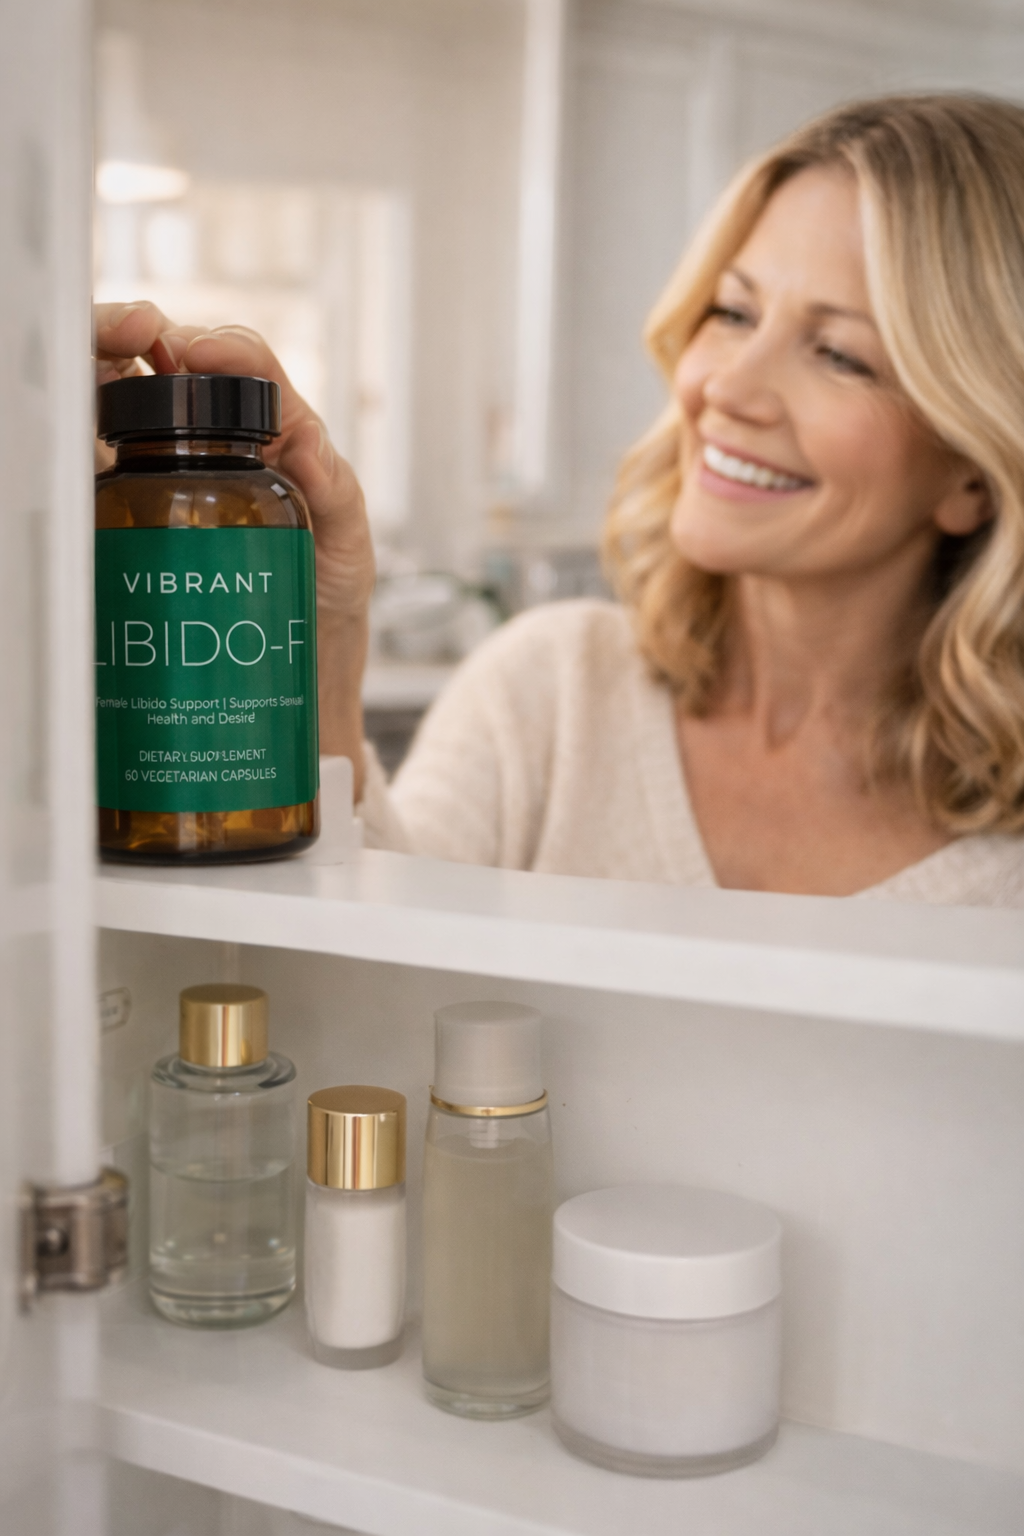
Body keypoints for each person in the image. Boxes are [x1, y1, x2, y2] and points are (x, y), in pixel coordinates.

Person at [96, 94, 1024, 904]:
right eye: (732, 312)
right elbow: (362, 967)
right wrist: (325, 632)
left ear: (975, 473)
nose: (725, 388)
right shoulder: (552, 691)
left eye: (840, 354)